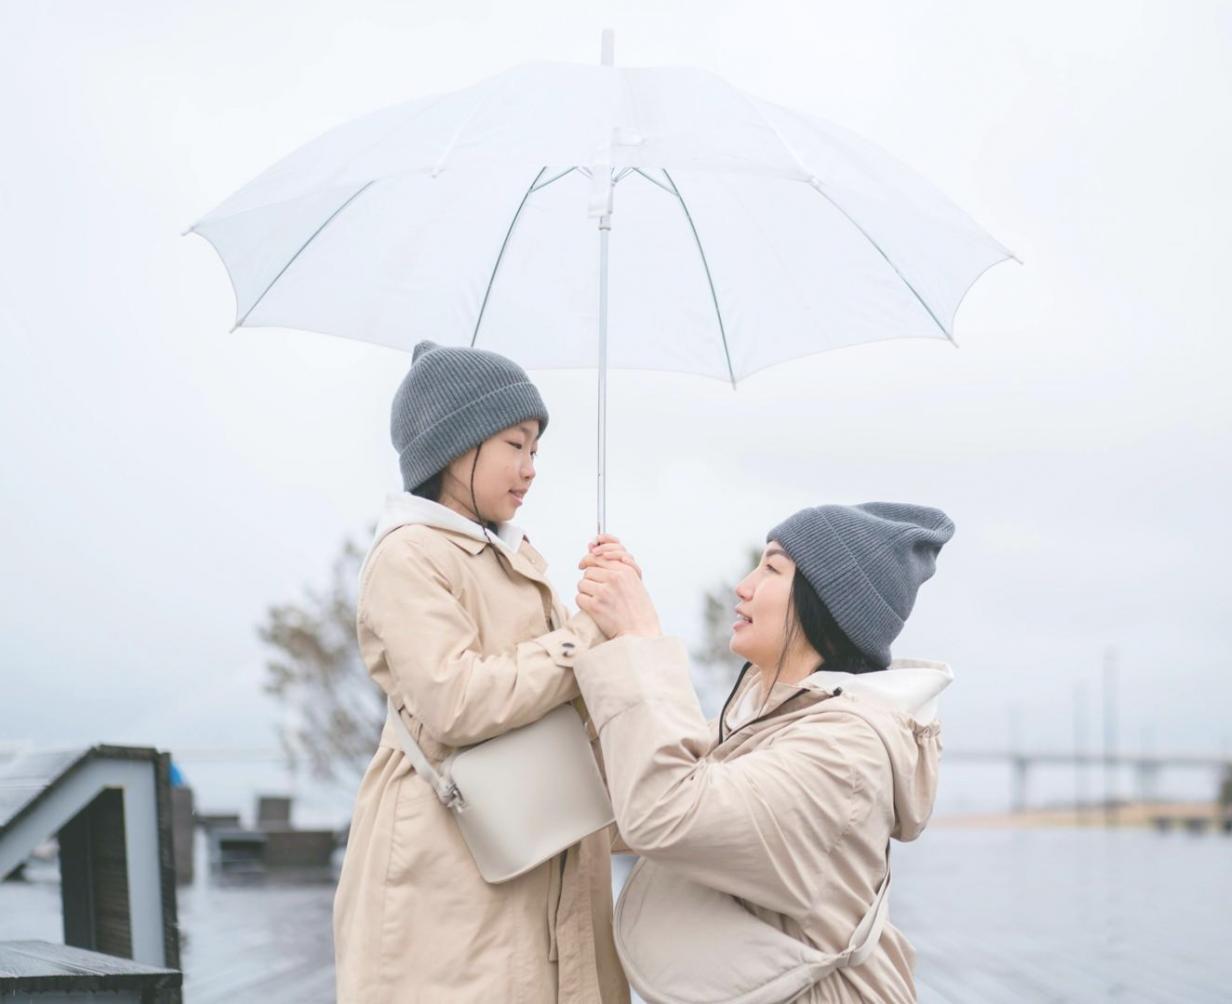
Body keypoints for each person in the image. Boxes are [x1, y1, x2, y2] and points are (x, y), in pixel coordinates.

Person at [333, 341, 628, 1003]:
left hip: (532, 842)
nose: (528, 470)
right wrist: (585, 636)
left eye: (535, 452)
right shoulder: (409, 555)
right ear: (455, 445)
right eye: (514, 445)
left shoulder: (516, 559)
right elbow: (455, 701)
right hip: (448, 859)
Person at [571, 502, 955, 1002]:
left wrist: (640, 640)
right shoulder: (761, 721)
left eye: (772, 567)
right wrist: (592, 650)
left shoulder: (846, 752)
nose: (744, 585)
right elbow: (616, 808)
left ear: (825, 603)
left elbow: (667, 813)